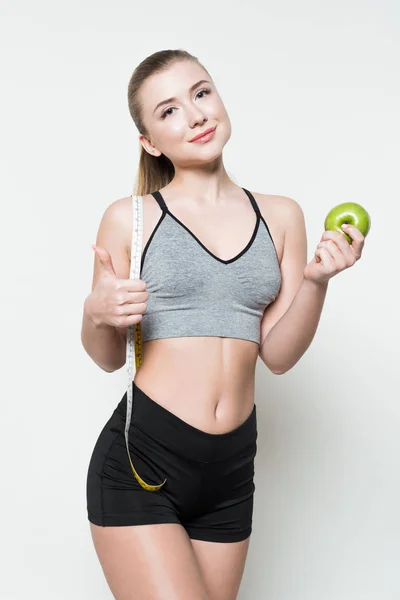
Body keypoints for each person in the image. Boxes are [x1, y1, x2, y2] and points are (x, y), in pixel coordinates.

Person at [81, 48, 365, 600]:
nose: (194, 114)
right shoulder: (131, 218)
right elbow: (107, 355)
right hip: (144, 461)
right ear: (150, 142)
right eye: (168, 111)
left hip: (231, 471)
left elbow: (277, 355)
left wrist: (317, 282)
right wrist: (97, 314)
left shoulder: (281, 215)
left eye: (201, 93)